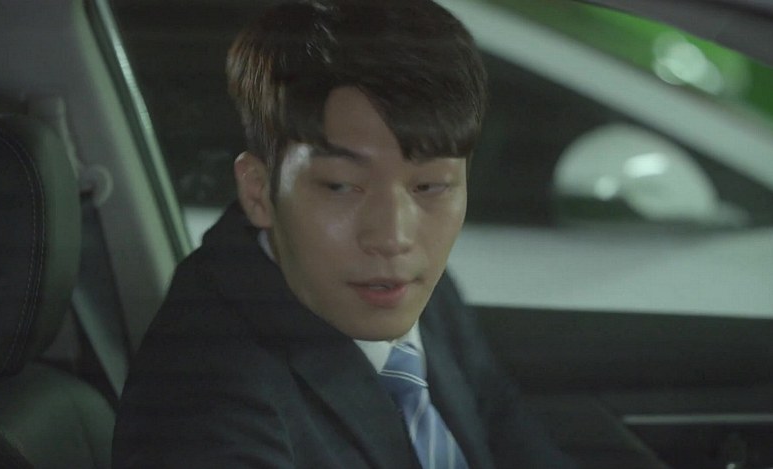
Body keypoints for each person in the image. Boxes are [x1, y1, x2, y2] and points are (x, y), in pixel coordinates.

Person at [113, 0, 576, 467]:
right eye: (340, 186)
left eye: (430, 185)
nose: (393, 236)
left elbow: (507, 429)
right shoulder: (204, 399)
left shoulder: (414, 291)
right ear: (259, 192)